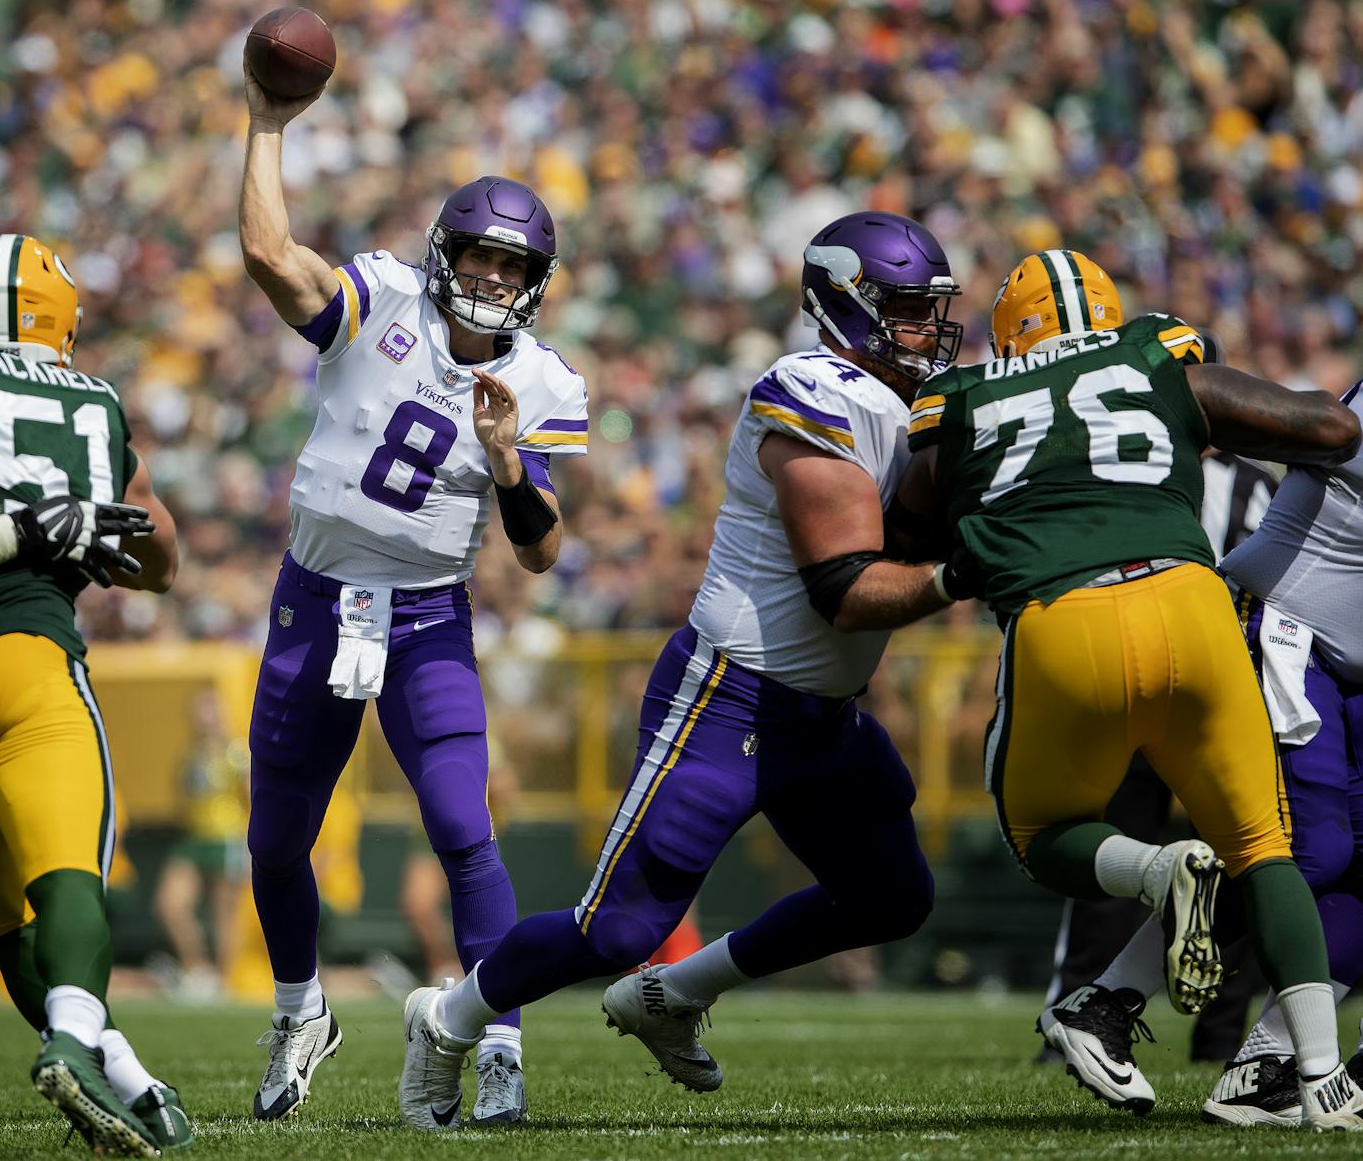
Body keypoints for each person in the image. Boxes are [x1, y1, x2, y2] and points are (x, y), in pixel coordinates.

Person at [396, 211, 963, 1129]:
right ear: (844, 308)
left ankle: (673, 994)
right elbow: (850, 589)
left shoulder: (909, 403)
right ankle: (449, 1019)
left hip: (825, 712)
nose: (922, 329)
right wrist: (971, 558)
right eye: (901, 309)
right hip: (730, 695)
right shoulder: (810, 388)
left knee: (892, 895)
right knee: (616, 927)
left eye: (927, 310)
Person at [888, 248, 1363, 1129]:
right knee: (1265, 847)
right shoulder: (1152, 351)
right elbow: (1331, 431)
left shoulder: (959, 397)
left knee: (1042, 833)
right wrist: (1203, 422)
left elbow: (904, 526)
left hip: (1065, 622)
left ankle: (1154, 875)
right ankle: (1323, 1078)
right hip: (1195, 607)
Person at [238, 63, 588, 1127]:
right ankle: (301, 1009)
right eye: (479, 251)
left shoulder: (545, 384)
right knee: (274, 839)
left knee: (461, 826)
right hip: (314, 597)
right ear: (445, 253)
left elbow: (539, 553)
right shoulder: (380, 299)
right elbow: (266, 255)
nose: (491, 272)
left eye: (512, 261)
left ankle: (498, 1043)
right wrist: (265, 123)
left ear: (536, 277)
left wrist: (511, 463)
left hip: (428, 614)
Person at [0, 234, 189, 1154]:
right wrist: (43, 527)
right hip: (22, 664)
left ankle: (124, 1073)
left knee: (8, 935)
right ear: (64, 318)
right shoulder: (101, 405)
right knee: (73, 886)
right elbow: (159, 556)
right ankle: (75, 1042)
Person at [1038, 335, 1278, 1066]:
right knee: (1151, 862)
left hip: (1187, 690)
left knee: (1228, 859)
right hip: (1186, 691)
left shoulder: (1235, 483)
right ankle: (1097, 1024)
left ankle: (1198, 1037)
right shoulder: (1232, 481)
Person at [1194, 381, 1363, 1125]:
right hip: (1286, 627)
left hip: (1342, 655)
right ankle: (1113, 989)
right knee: (1314, 852)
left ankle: (1266, 1062)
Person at [153, 689, 248, 1001]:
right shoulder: (190, 753)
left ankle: (224, 981)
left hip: (227, 838)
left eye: (212, 710)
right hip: (194, 838)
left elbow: (252, 801)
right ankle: (197, 968)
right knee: (170, 903)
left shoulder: (236, 753)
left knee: (225, 914)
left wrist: (249, 845)